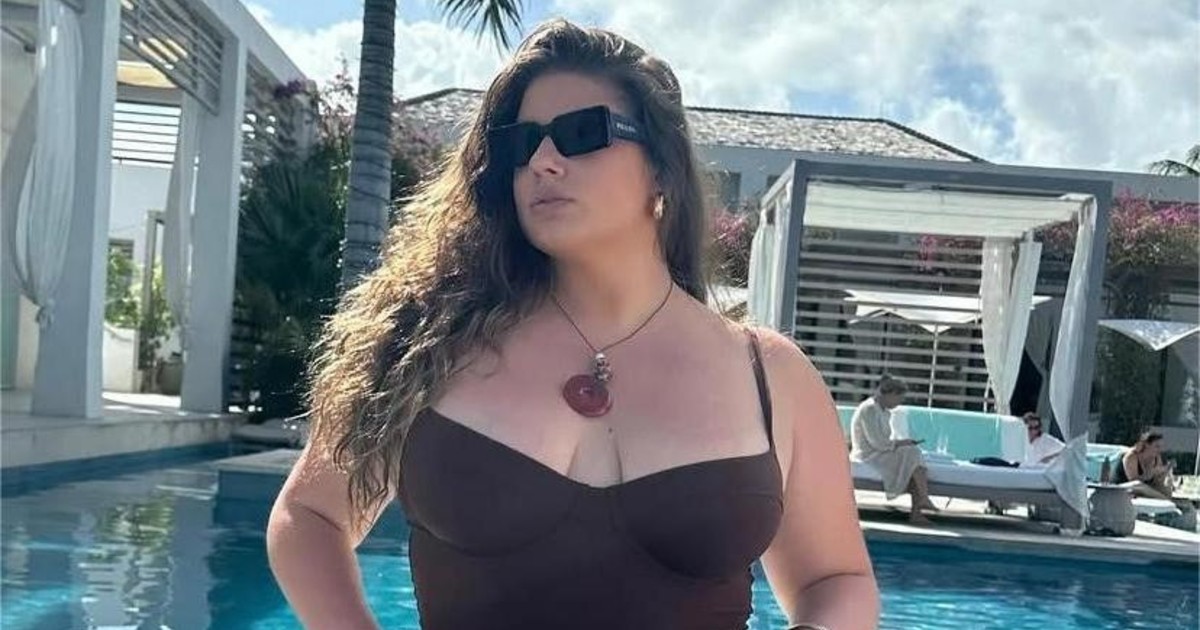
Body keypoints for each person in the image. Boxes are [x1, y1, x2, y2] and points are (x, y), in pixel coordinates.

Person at [265, 19, 878, 630]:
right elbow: (309, 517)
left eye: (582, 133)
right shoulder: (429, 340)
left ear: (661, 168)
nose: (543, 160)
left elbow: (836, 580)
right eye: (522, 143)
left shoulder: (768, 375)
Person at [850, 374, 938, 524]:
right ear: (890, 394)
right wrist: (900, 443)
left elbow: (885, 441)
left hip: (880, 451)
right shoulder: (869, 409)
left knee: (913, 457)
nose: (899, 403)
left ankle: (919, 506)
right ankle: (921, 503)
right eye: (899, 398)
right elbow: (877, 442)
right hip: (868, 455)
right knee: (912, 456)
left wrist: (903, 443)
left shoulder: (884, 412)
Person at [1115, 431, 1177, 500]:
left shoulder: (1156, 457)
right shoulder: (1131, 457)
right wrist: (1150, 473)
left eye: (1161, 447)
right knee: (1138, 484)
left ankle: (1164, 499)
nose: (1159, 450)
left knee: (1166, 489)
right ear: (1147, 445)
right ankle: (1164, 499)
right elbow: (1133, 481)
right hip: (1124, 487)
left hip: (1144, 488)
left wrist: (1164, 473)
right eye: (1157, 446)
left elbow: (1156, 482)